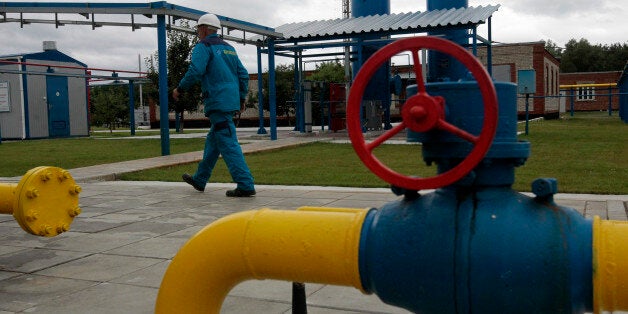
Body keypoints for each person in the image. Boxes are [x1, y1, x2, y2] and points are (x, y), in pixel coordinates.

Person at [173, 13, 255, 197]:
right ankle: (200, 179)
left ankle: (245, 184)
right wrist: (241, 98)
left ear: (203, 29)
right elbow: (243, 74)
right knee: (214, 140)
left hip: (217, 101)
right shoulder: (230, 49)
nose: (198, 34)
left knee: (228, 143)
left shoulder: (203, 46)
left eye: (198, 30)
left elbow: (196, 70)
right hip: (229, 101)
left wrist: (180, 88)